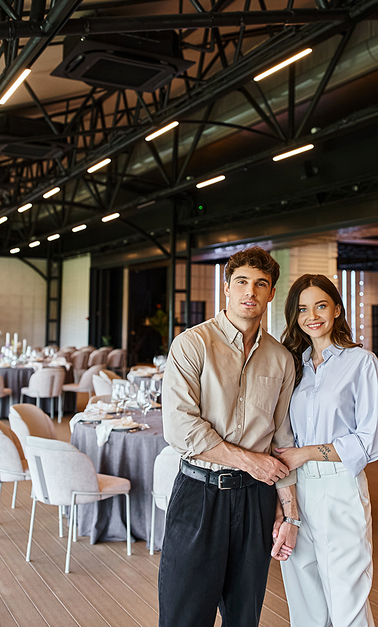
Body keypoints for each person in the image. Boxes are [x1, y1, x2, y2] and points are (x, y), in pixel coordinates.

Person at [159, 246, 300, 627]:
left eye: (260, 284)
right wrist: (250, 461)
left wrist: (291, 514)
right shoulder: (192, 344)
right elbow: (179, 427)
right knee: (183, 616)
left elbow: (282, 438)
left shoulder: (282, 359)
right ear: (227, 288)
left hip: (256, 501)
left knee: (244, 616)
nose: (250, 292)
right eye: (241, 282)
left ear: (271, 294)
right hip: (198, 494)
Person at [275, 274, 378, 627]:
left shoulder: (362, 363)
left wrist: (305, 453)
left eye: (321, 305)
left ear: (337, 309)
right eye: (303, 309)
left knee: (347, 600)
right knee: (304, 601)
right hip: (297, 490)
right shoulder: (294, 366)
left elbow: (369, 442)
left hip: (340, 488)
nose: (313, 315)